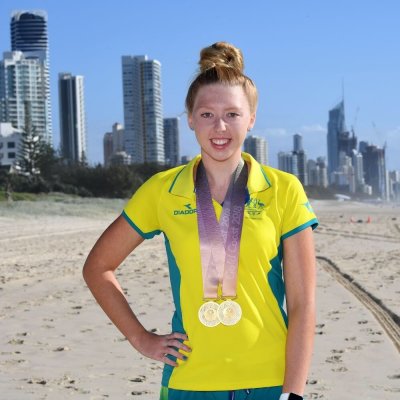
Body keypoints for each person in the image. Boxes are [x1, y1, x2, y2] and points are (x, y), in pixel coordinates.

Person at [83, 42, 318, 400]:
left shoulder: (283, 190)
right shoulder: (162, 191)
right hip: (188, 381)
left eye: (233, 114)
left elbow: (303, 303)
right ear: (190, 118)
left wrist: (294, 392)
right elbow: (98, 267)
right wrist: (140, 338)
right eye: (207, 114)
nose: (219, 126)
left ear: (251, 118)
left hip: (270, 380)